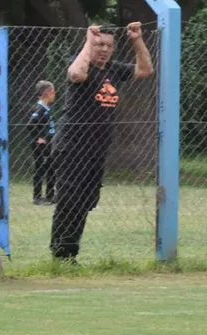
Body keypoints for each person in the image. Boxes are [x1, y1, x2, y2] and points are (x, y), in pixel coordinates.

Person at [49, 22, 153, 263]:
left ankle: (69, 252)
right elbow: (76, 74)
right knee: (69, 199)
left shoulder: (114, 70)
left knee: (86, 201)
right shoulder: (82, 66)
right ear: (90, 45)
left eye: (108, 45)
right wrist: (88, 40)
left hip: (96, 150)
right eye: (99, 45)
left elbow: (146, 69)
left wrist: (136, 40)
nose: (103, 49)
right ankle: (61, 254)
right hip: (71, 147)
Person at [30, 80, 56, 206]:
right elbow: (31, 125)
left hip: (49, 144)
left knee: (51, 168)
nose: (54, 94)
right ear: (47, 93)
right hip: (41, 146)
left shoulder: (47, 108)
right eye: (53, 91)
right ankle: (37, 196)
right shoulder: (39, 108)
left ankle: (50, 195)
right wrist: (38, 138)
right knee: (40, 169)